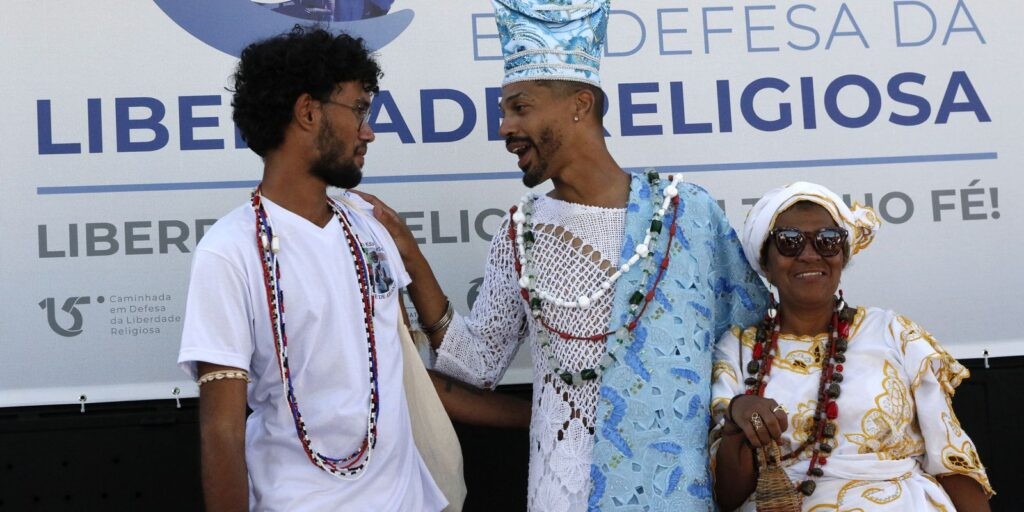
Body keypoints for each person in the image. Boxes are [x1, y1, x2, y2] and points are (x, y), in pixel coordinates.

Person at [358, 1, 768, 509]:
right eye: (504, 110)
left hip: (673, 493)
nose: (505, 127)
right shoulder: (522, 231)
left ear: (580, 105)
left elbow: (753, 343)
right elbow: (477, 363)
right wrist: (409, 254)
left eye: (520, 107)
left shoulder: (687, 213)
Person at [176, 26, 452, 511]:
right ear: (308, 112)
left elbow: (407, 375)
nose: (369, 130)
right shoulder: (228, 251)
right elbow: (221, 430)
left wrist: (542, 415)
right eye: (360, 109)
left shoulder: (369, 226)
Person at [710, 182, 993, 511]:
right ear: (766, 262)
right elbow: (727, 497)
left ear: (842, 256)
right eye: (789, 242)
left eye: (828, 241)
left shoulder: (894, 333)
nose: (810, 253)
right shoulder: (739, 350)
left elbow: (952, 460)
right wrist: (736, 421)